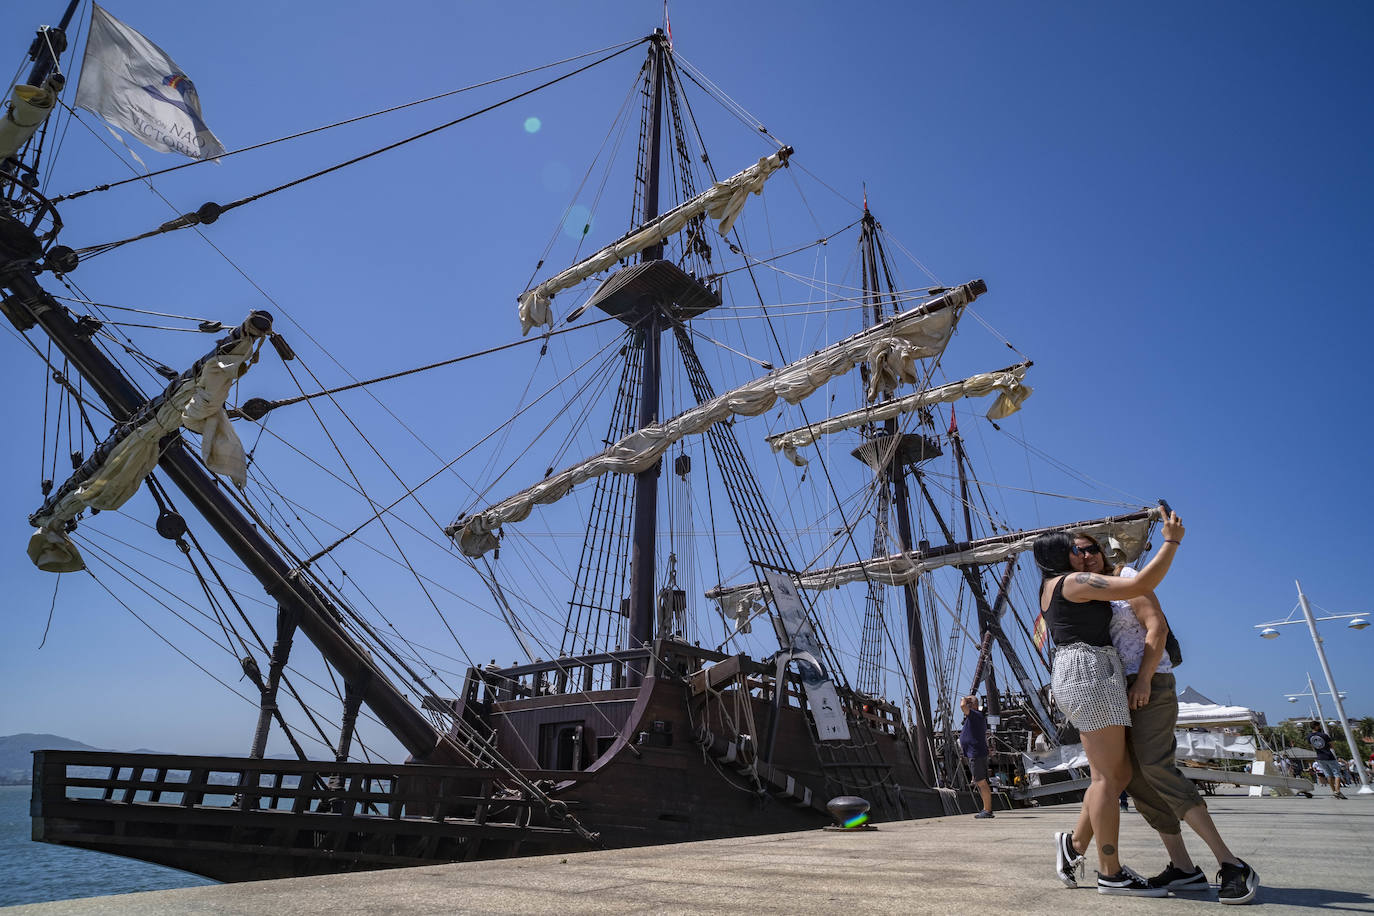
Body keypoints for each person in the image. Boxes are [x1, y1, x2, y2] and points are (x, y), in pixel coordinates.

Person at [1056, 531, 1259, 905]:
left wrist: (1145, 680)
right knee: (1135, 780)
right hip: (1115, 688)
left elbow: (1157, 627)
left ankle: (1232, 865)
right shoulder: (1097, 592)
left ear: (1101, 551)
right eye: (1076, 553)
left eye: (1090, 550)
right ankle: (1183, 868)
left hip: (1149, 683)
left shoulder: (1129, 578)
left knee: (1158, 768)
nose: (1085, 557)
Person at [1035, 511, 1183, 897]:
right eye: (1073, 550)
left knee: (1114, 775)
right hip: (1089, 669)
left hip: (1081, 669)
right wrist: (1171, 542)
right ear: (1061, 556)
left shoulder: (1050, 585)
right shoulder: (1074, 582)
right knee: (1106, 778)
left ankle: (1074, 846)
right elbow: (1143, 583)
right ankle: (1110, 872)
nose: (1080, 554)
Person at [960, 694, 995, 819]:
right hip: (976, 753)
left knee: (980, 781)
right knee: (981, 781)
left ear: (971, 705)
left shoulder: (975, 715)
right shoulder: (976, 717)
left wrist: (966, 699)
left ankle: (987, 810)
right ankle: (986, 809)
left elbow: (962, 705)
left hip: (975, 753)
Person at [1307, 722, 1345, 798]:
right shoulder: (1324, 735)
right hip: (1329, 756)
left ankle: (1334, 791)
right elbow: (1332, 746)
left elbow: (1312, 747)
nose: (1320, 727)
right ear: (1316, 726)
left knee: (1328, 775)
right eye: (1319, 725)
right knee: (1337, 774)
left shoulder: (1309, 737)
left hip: (1320, 757)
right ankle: (1338, 791)